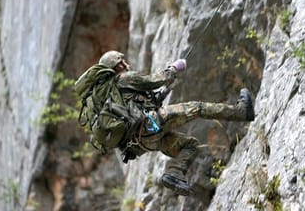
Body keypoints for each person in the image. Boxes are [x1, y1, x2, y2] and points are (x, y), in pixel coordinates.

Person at [75, 50, 255, 196]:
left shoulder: (108, 97)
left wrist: (158, 98)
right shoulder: (123, 79)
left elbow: (133, 111)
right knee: (196, 107)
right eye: (123, 61)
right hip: (150, 125)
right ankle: (241, 112)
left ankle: (174, 173)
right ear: (118, 64)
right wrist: (174, 69)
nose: (127, 64)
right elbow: (155, 80)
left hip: (142, 143)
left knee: (189, 145)